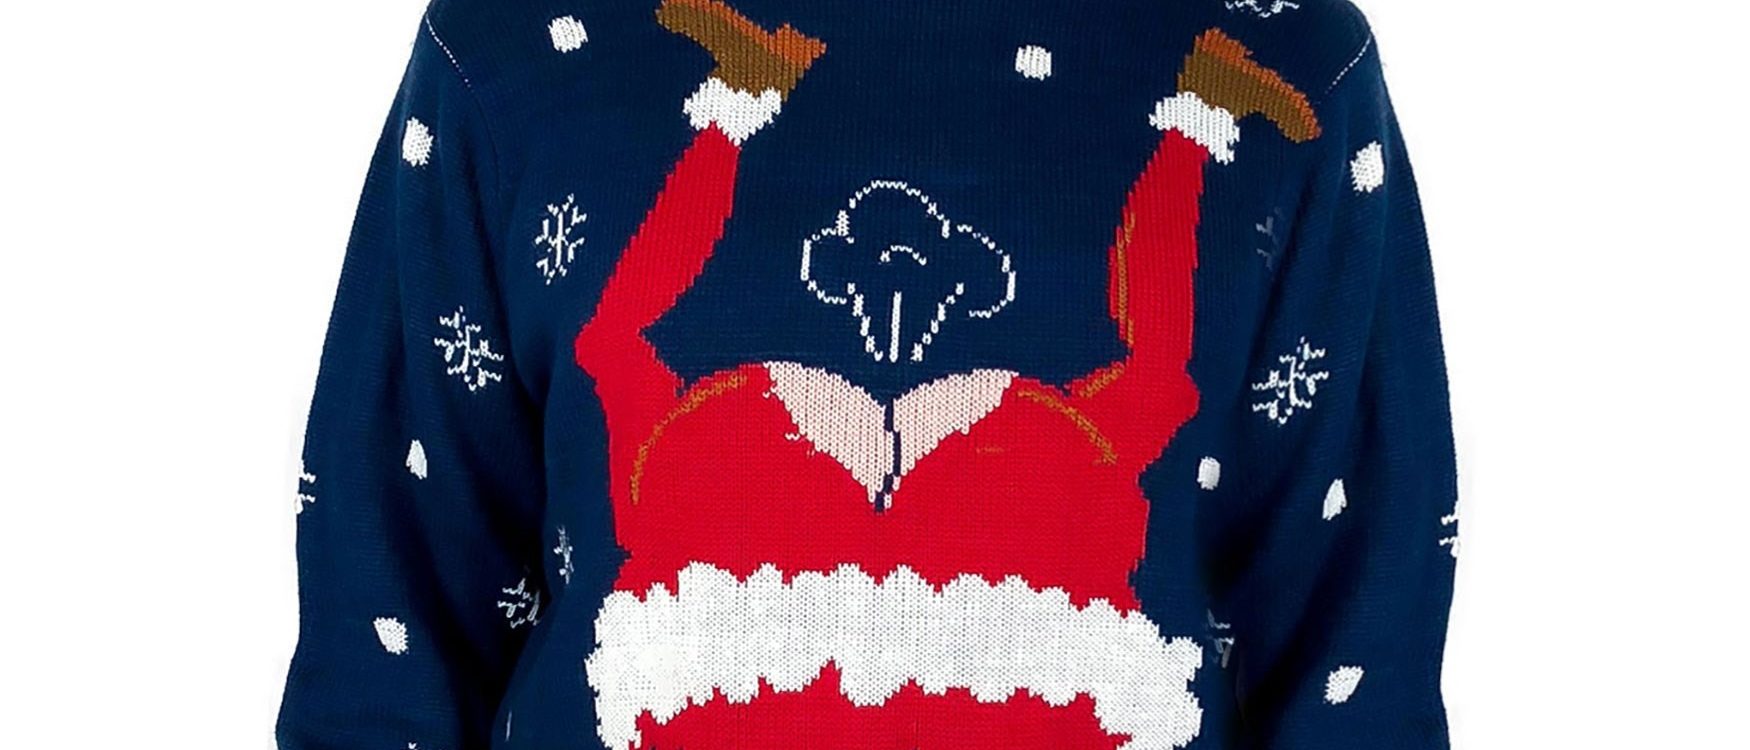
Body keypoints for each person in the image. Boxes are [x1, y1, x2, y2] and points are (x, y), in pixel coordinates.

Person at [279, 0, 1458, 748]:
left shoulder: (1299, 48)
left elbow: (1356, 631)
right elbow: (391, 597)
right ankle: (1187, 117)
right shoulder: (514, 41)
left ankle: (1187, 115)